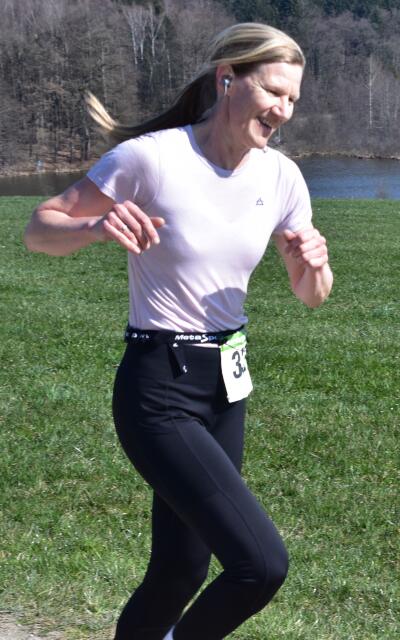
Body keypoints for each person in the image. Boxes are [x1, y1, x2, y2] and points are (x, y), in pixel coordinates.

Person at [23, 23, 332, 640]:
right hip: (159, 386)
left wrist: (312, 267)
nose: (284, 110)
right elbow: (40, 227)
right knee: (259, 565)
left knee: (180, 570)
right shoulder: (154, 158)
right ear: (228, 80)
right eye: (274, 91)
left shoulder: (281, 177)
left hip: (225, 387)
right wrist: (94, 228)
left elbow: (312, 296)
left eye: (293, 99)